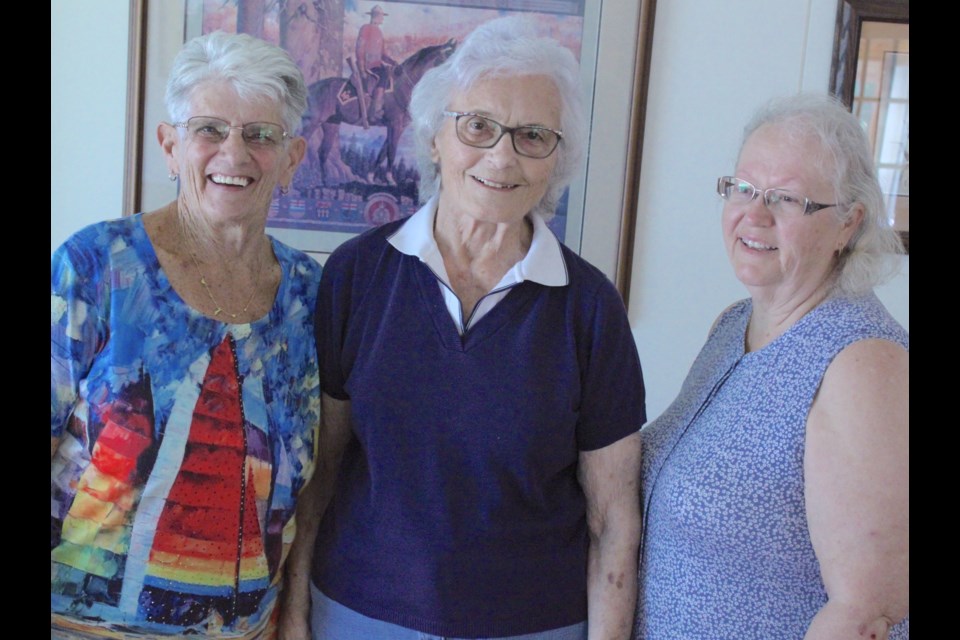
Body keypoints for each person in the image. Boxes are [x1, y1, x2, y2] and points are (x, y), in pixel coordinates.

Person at [278, 15, 646, 640]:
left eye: (532, 135)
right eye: (477, 127)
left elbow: (612, 519)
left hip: (536, 624)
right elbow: (323, 473)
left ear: (557, 159)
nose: (501, 156)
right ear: (434, 138)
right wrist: (294, 609)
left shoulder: (589, 308)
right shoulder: (357, 275)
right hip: (357, 614)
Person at [51, 31, 320, 639]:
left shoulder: (310, 295)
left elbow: (313, 489)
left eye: (261, 135)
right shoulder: (99, 267)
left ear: (293, 159)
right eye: (210, 130)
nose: (235, 152)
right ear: (170, 146)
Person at [633, 93, 908, 639]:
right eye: (743, 189)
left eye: (786, 199)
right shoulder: (733, 325)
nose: (752, 215)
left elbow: (867, 615)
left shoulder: (863, 366)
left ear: (848, 224)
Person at [355, 4, 397, 125]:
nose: (382, 19)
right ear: (376, 16)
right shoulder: (365, 28)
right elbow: (360, 49)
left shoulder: (379, 31)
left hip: (378, 65)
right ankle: (374, 111)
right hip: (369, 66)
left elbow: (383, 54)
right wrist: (362, 68)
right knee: (383, 75)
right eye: (381, 16)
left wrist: (393, 62)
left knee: (391, 74)